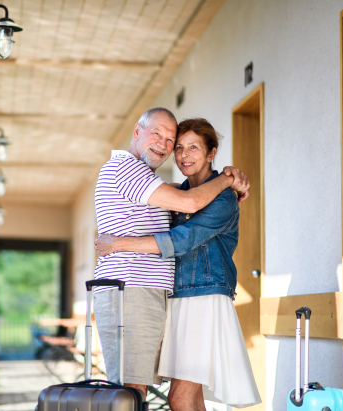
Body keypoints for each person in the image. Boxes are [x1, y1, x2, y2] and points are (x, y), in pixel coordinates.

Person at [95, 118, 261, 410]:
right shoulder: (178, 194)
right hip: (177, 300)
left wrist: (120, 242)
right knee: (189, 396)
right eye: (180, 147)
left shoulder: (223, 199)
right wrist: (228, 175)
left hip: (203, 299)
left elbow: (181, 239)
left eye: (194, 148)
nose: (184, 154)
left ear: (211, 153)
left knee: (179, 396)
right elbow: (183, 198)